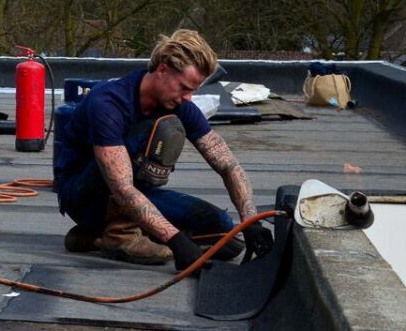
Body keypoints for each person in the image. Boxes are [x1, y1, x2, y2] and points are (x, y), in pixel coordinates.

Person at [53, 30, 273, 270]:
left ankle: (93, 237)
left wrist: (250, 220)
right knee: (158, 130)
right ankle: (119, 236)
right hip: (84, 196)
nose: (188, 98)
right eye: (184, 87)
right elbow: (122, 188)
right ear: (163, 69)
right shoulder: (108, 104)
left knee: (222, 231)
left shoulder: (179, 102)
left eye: (193, 91)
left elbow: (227, 164)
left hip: (134, 193)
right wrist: (175, 240)